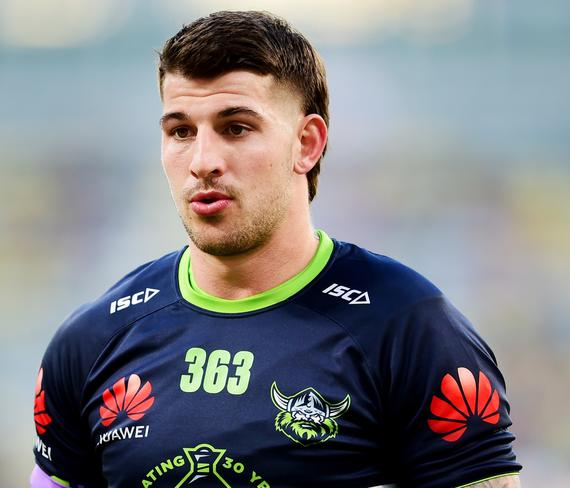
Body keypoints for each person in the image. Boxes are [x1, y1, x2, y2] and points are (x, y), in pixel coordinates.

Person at [31, 11, 521, 488]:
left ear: (306, 144)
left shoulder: (409, 328)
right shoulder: (94, 339)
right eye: (180, 131)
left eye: (236, 127)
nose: (203, 160)